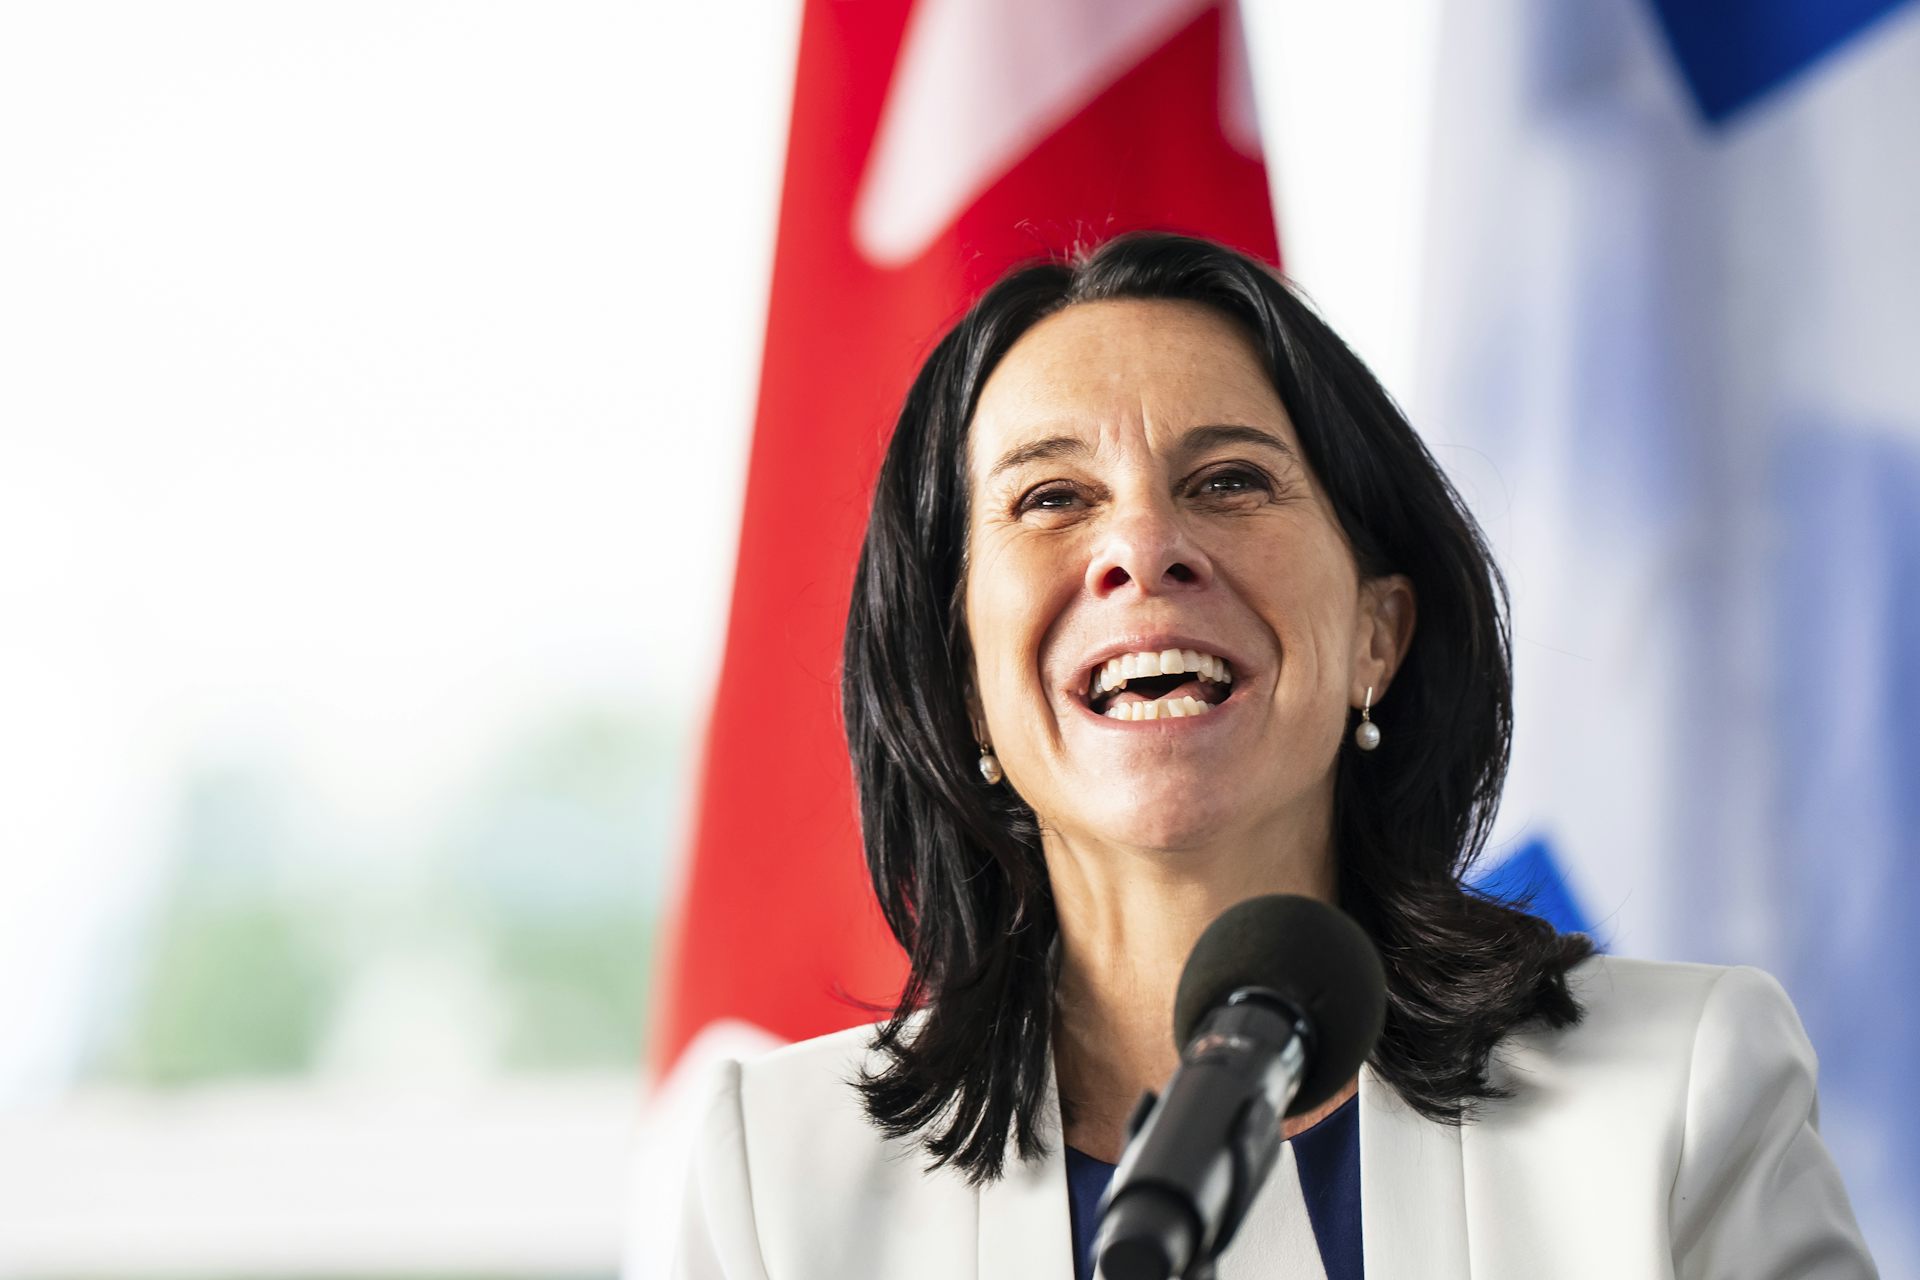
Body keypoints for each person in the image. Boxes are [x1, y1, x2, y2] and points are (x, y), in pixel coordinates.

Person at [672, 233, 1876, 1279]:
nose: (1143, 547)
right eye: (1050, 499)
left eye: (1230, 480)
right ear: (962, 689)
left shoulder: (1679, 1089)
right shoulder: (775, 1174)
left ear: (1377, 637)